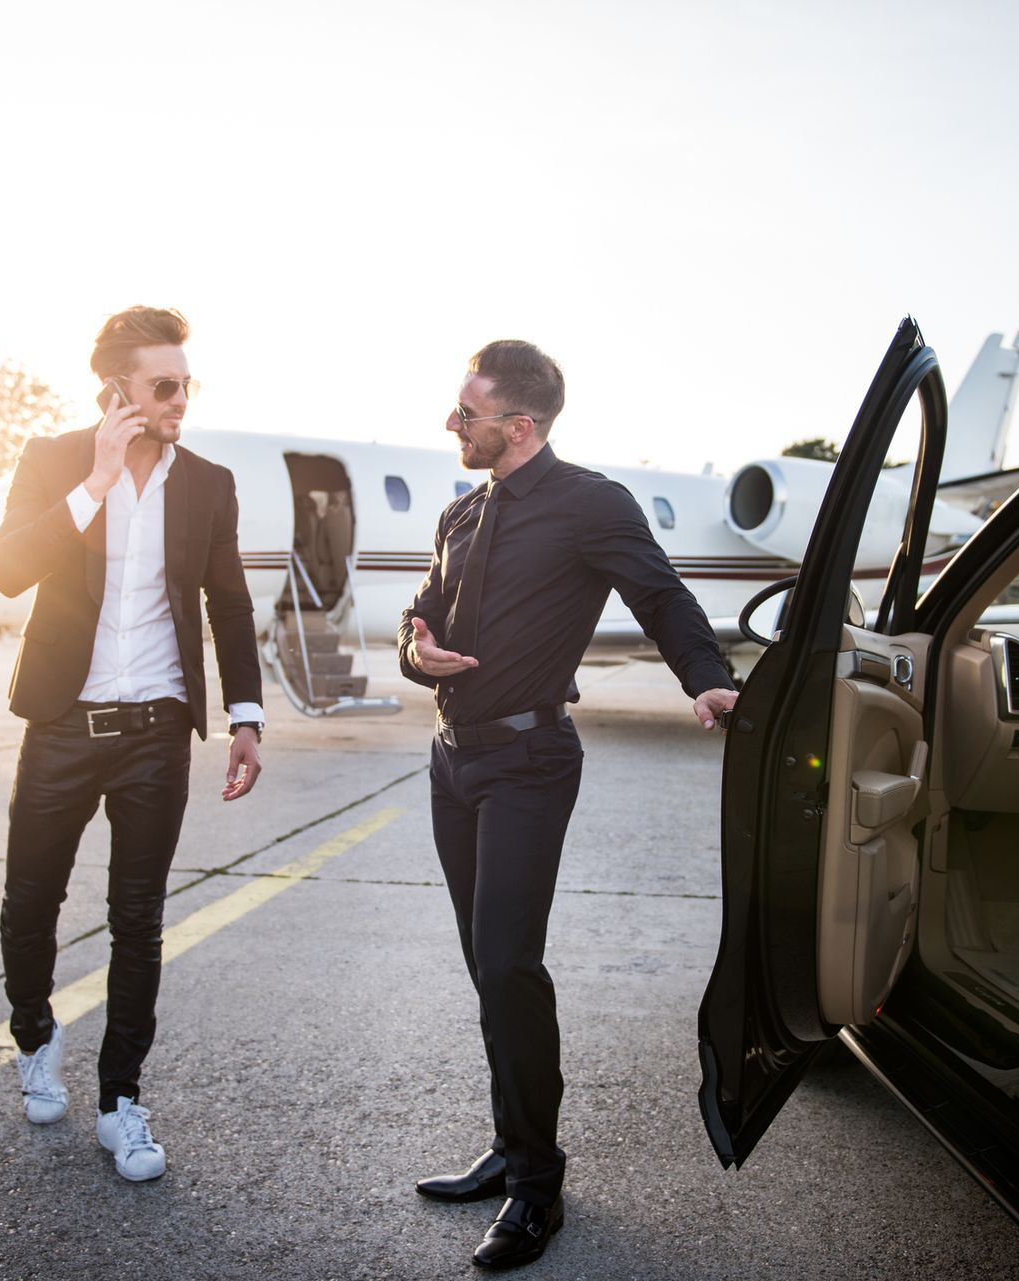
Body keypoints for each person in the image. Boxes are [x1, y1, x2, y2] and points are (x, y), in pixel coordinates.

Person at [398, 340, 738, 1268]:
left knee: (510, 964)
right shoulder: (459, 512)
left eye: (464, 413)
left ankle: (536, 1190)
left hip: (529, 759)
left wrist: (706, 681)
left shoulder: (593, 503)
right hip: (453, 761)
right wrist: (414, 651)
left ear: (520, 425)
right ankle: (512, 1147)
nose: (449, 424)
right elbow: (418, 616)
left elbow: (661, 596)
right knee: (485, 965)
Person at [0, 305, 266, 1182]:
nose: (182, 397)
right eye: (165, 384)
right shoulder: (52, 460)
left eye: (187, 381)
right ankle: (35, 1035)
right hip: (63, 723)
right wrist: (95, 482)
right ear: (118, 390)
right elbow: (5, 569)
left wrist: (246, 714)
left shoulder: (210, 483)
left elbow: (230, 604)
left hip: (155, 729)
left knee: (138, 919)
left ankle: (119, 1100)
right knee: (31, 900)